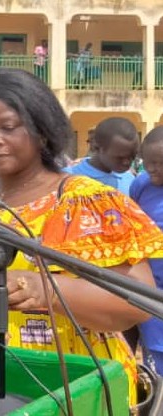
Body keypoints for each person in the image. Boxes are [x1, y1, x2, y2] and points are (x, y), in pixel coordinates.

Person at [0, 68, 161, 406]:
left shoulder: (85, 200)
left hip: (66, 382)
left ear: (43, 130)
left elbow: (136, 301)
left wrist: (45, 289)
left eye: (8, 127)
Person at [130, 127, 163, 376]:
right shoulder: (141, 184)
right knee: (156, 357)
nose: (153, 169)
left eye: (161, 163)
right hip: (152, 291)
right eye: (149, 162)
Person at [64, 117, 138, 195]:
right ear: (97, 147)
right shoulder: (67, 178)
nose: (127, 162)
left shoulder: (129, 179)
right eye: (120, 157)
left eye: (132, 156)